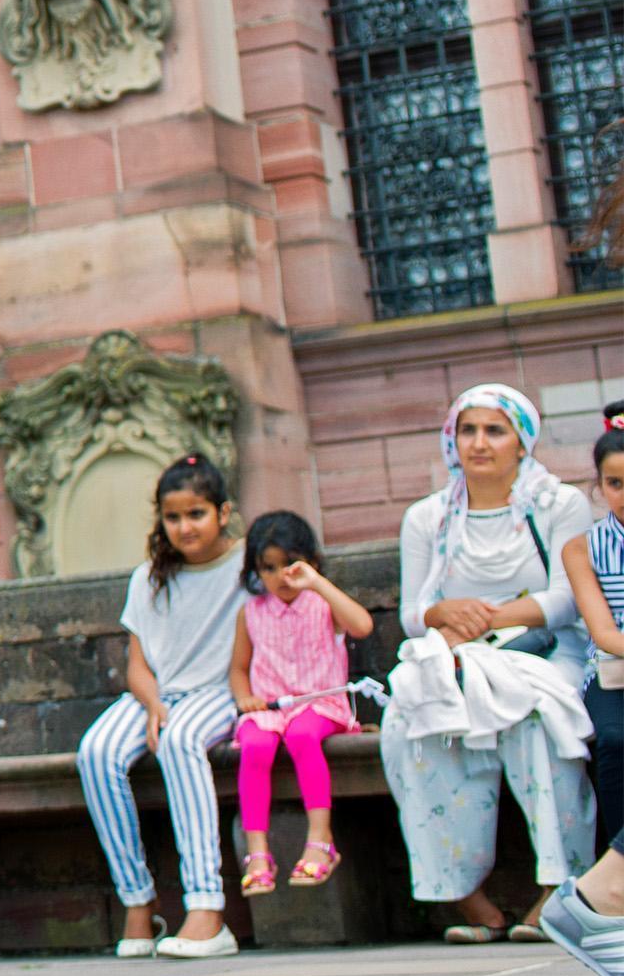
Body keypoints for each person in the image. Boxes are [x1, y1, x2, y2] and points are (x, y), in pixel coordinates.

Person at [388, 383, 598, 938]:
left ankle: (559, 889)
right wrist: (444, 615)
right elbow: (414, 612)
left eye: (494, 430)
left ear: (522, 442)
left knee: (535, 718)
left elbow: (565, 598)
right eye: (468, 430)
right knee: (411, 721)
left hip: (545, 653)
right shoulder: (426, 518)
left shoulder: (559, 504)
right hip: (458, 658)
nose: (478, 444)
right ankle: (467, 898)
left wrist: (491, 617)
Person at [80, 456, 250, 959]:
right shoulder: (149, 577)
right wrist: (153, 703)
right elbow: (136, 664)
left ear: (223, 512)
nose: (184, 527)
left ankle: (207, 909)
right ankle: (138, 900)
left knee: (179, 741)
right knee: (97, 751)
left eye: (196, 514)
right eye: (173, 518)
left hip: (220, 692)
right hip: (157, 693)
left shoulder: (246, 567)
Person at [226, 512, 368, 900]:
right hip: (271, 708)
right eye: (268, 568)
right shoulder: (252, 613)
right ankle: (258, 853)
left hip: (319, 704)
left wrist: (317, 583)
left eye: (288, 564)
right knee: (254, 745)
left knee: (304, 735)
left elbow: (361, 626)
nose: (279, 576)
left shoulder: (322, 603)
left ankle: (320, 838)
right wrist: (245, 699)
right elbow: (238, 669)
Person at [562, 423, 624, 857]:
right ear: (599, 486)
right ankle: (618, 875)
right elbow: (602, 632)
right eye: (615, 482)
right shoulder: (582, 548)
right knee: (616, 739)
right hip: (613, 670)